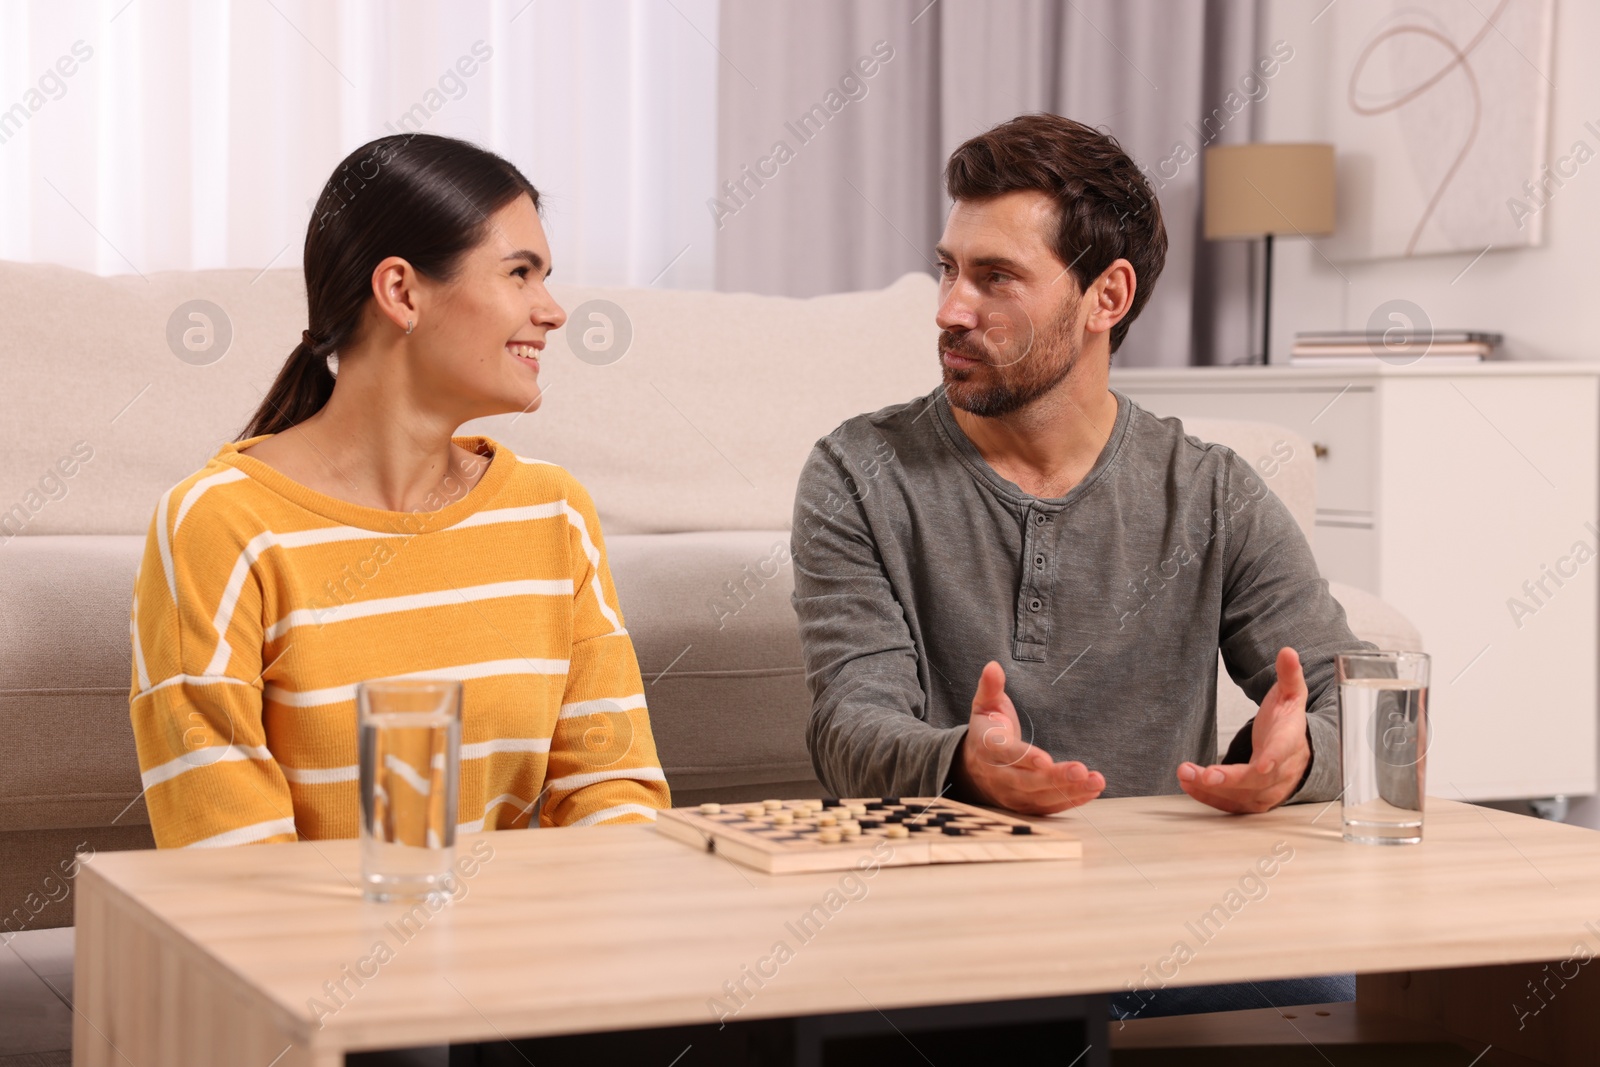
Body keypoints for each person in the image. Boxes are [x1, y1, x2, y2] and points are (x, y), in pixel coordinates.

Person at [790, 114, 1371, 1017]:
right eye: (949, 269)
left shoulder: (1212, 492)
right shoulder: (858, 472)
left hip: (1167, 921)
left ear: (1107, 296)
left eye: (995, 277)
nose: (949, 308)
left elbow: (1356, 708)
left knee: (1340, 1005)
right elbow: (849, 728)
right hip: (942, 920)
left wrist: (1295, 764)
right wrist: (965, 764)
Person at [128, 134, 670, 850]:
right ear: (402, 291)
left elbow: (613, 795)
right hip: (301, 955)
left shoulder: (554, 510)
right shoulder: (220, 523)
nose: (553, 311)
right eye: (519, 273)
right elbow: (229, 860)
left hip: (521, 947)